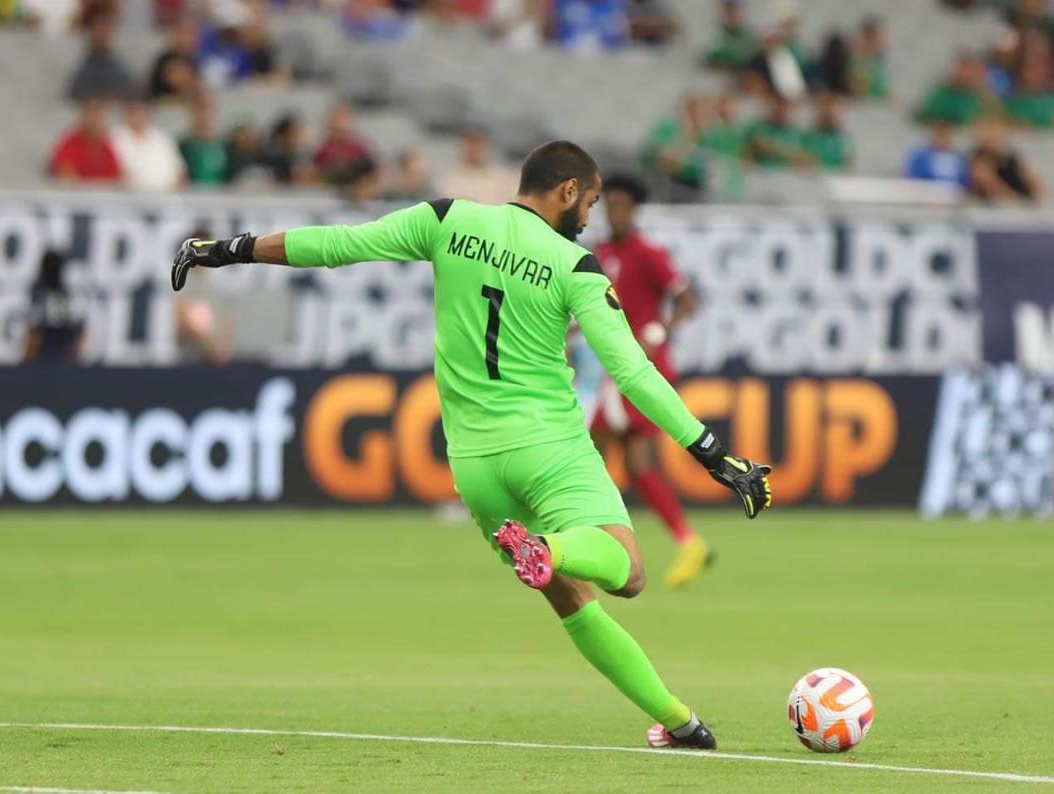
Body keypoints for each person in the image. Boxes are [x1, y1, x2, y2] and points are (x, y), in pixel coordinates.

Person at [170, 140, 772, 749]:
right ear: (567, 191)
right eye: (588, 202)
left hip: (475, 465)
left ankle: (679, 722)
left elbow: (337, 245)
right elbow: (633, 370)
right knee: (628, 570)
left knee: (571, 601)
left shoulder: (447, 219)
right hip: (548, 446)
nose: (589, 217)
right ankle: (550, 548)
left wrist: (230, 249)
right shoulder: (576, 266)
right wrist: (711, 451)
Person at [590, 175, 708, 588]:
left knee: (591, 452)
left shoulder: (647, 253)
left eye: (623, 206)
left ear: (635, 210)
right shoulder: (601, 253)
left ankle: (589, 538)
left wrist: (661, 331)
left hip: (639, 370)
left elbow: (687, 299)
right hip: (617, 369)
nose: (615, 213)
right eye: (610, 206)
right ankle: (687, 541)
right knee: (636, 465)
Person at [111, 98, 187, 192]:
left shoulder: (162, 138)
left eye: (142, 112)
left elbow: (180, 171)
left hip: (166, 196)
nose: (138, 116)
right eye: (134, 112)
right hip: (128, 195)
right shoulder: (116, 137)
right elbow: (117, 172)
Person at [967, 115, 1045, 204]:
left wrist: (1033, 188)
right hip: (991, 206)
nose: (993, 135)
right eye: (989, 131)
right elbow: (991, 186)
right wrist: (1016, 201)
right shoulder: (977, 158)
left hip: (1016, 204)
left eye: (996, 131)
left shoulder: (1011, 158)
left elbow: (1036, 186)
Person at [24, 250, 85, 363]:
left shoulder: (62, 292)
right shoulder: (38, 291)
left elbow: (75, 327)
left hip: (59, 349)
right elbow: (34, 329)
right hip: (44, 351)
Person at [49, 98, 122, 184]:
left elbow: (117, 175)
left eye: (99, 116)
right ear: (83, 117)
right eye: (91, 116)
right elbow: (65, 176)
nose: (94, 121)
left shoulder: (108, 144)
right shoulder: (70, 143)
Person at [438, 126, 517, 205]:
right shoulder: (450, 177)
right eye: (471, 144)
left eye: (478, 144)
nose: (475, 149)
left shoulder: (503, 177)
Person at [904, 120, 968, 187]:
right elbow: (912, 179)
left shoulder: (958, 158)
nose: (942, 137)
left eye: (945, 133)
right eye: (939, 133)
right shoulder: (920, 157)